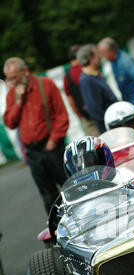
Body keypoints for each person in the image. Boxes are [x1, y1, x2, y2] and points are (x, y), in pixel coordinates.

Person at [3, 57, 69, 214]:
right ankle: (57, 232)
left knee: (69, 188)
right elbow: (10, 123)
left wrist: (53, 140)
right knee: (48, 196)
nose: (12, 82)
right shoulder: (12, 94)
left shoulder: (45, 84)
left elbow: (61, 116)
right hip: (32, 151)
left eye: (15, 78)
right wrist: (18, 102)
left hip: (52, 146)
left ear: (25, 71)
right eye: (9, 79)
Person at [76, 44, 118, 135]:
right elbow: (94, 111)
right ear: (90, 58)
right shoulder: (86, 80)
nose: (100, 57)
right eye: (97, 54)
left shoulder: (94, 75)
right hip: (110, 129)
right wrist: (113, 122)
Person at [63, 45, 99, 137]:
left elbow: (70, 100)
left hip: (85, 117)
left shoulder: (67, 77)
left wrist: (80, 116)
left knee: (96, 146)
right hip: (100, 111)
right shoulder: (88, 68)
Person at [98, 38, 134, 106]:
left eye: (104, 53)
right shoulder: (113, 62)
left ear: (112, 51)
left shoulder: (125, 62)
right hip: (129, 101)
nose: (103, 57)